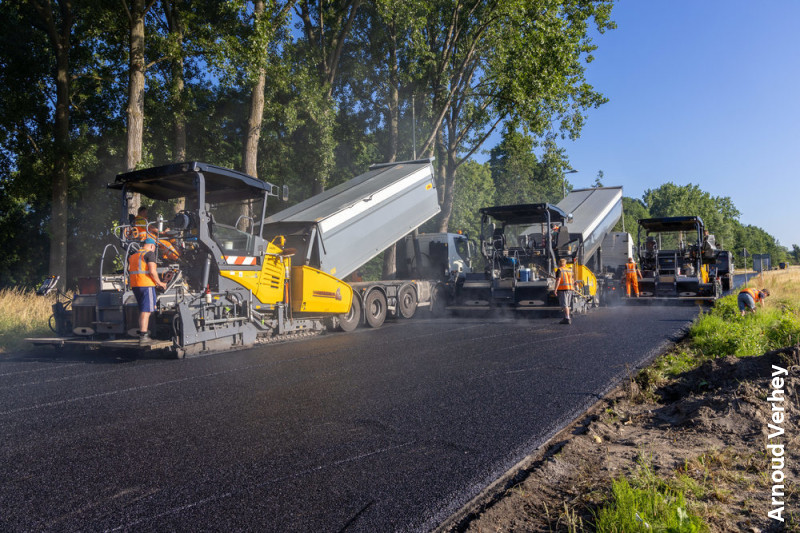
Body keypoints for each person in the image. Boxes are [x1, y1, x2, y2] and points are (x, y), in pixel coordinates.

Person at [128, 238, 167, 344]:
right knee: (146, 310)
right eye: (154, 248)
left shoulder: (133, 256)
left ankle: (145, 333)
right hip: (146, 285)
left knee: (144, 309)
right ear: (152, 246)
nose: (154, 250)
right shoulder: (149, 254)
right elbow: (152, 271)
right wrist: (160, 283)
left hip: (136, 285)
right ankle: (144, 336)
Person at [554, 258, 574, 324]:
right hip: (570, 289)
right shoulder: (569, 270)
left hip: (563, 289)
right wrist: (573, 287)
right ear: (565, 263)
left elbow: (558, 280)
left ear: (559, 263)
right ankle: (566, 317)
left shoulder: (559, 270)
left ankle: (567, 318)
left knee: (565, 305)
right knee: (567, 304)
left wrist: (555, 289)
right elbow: (572, 279)